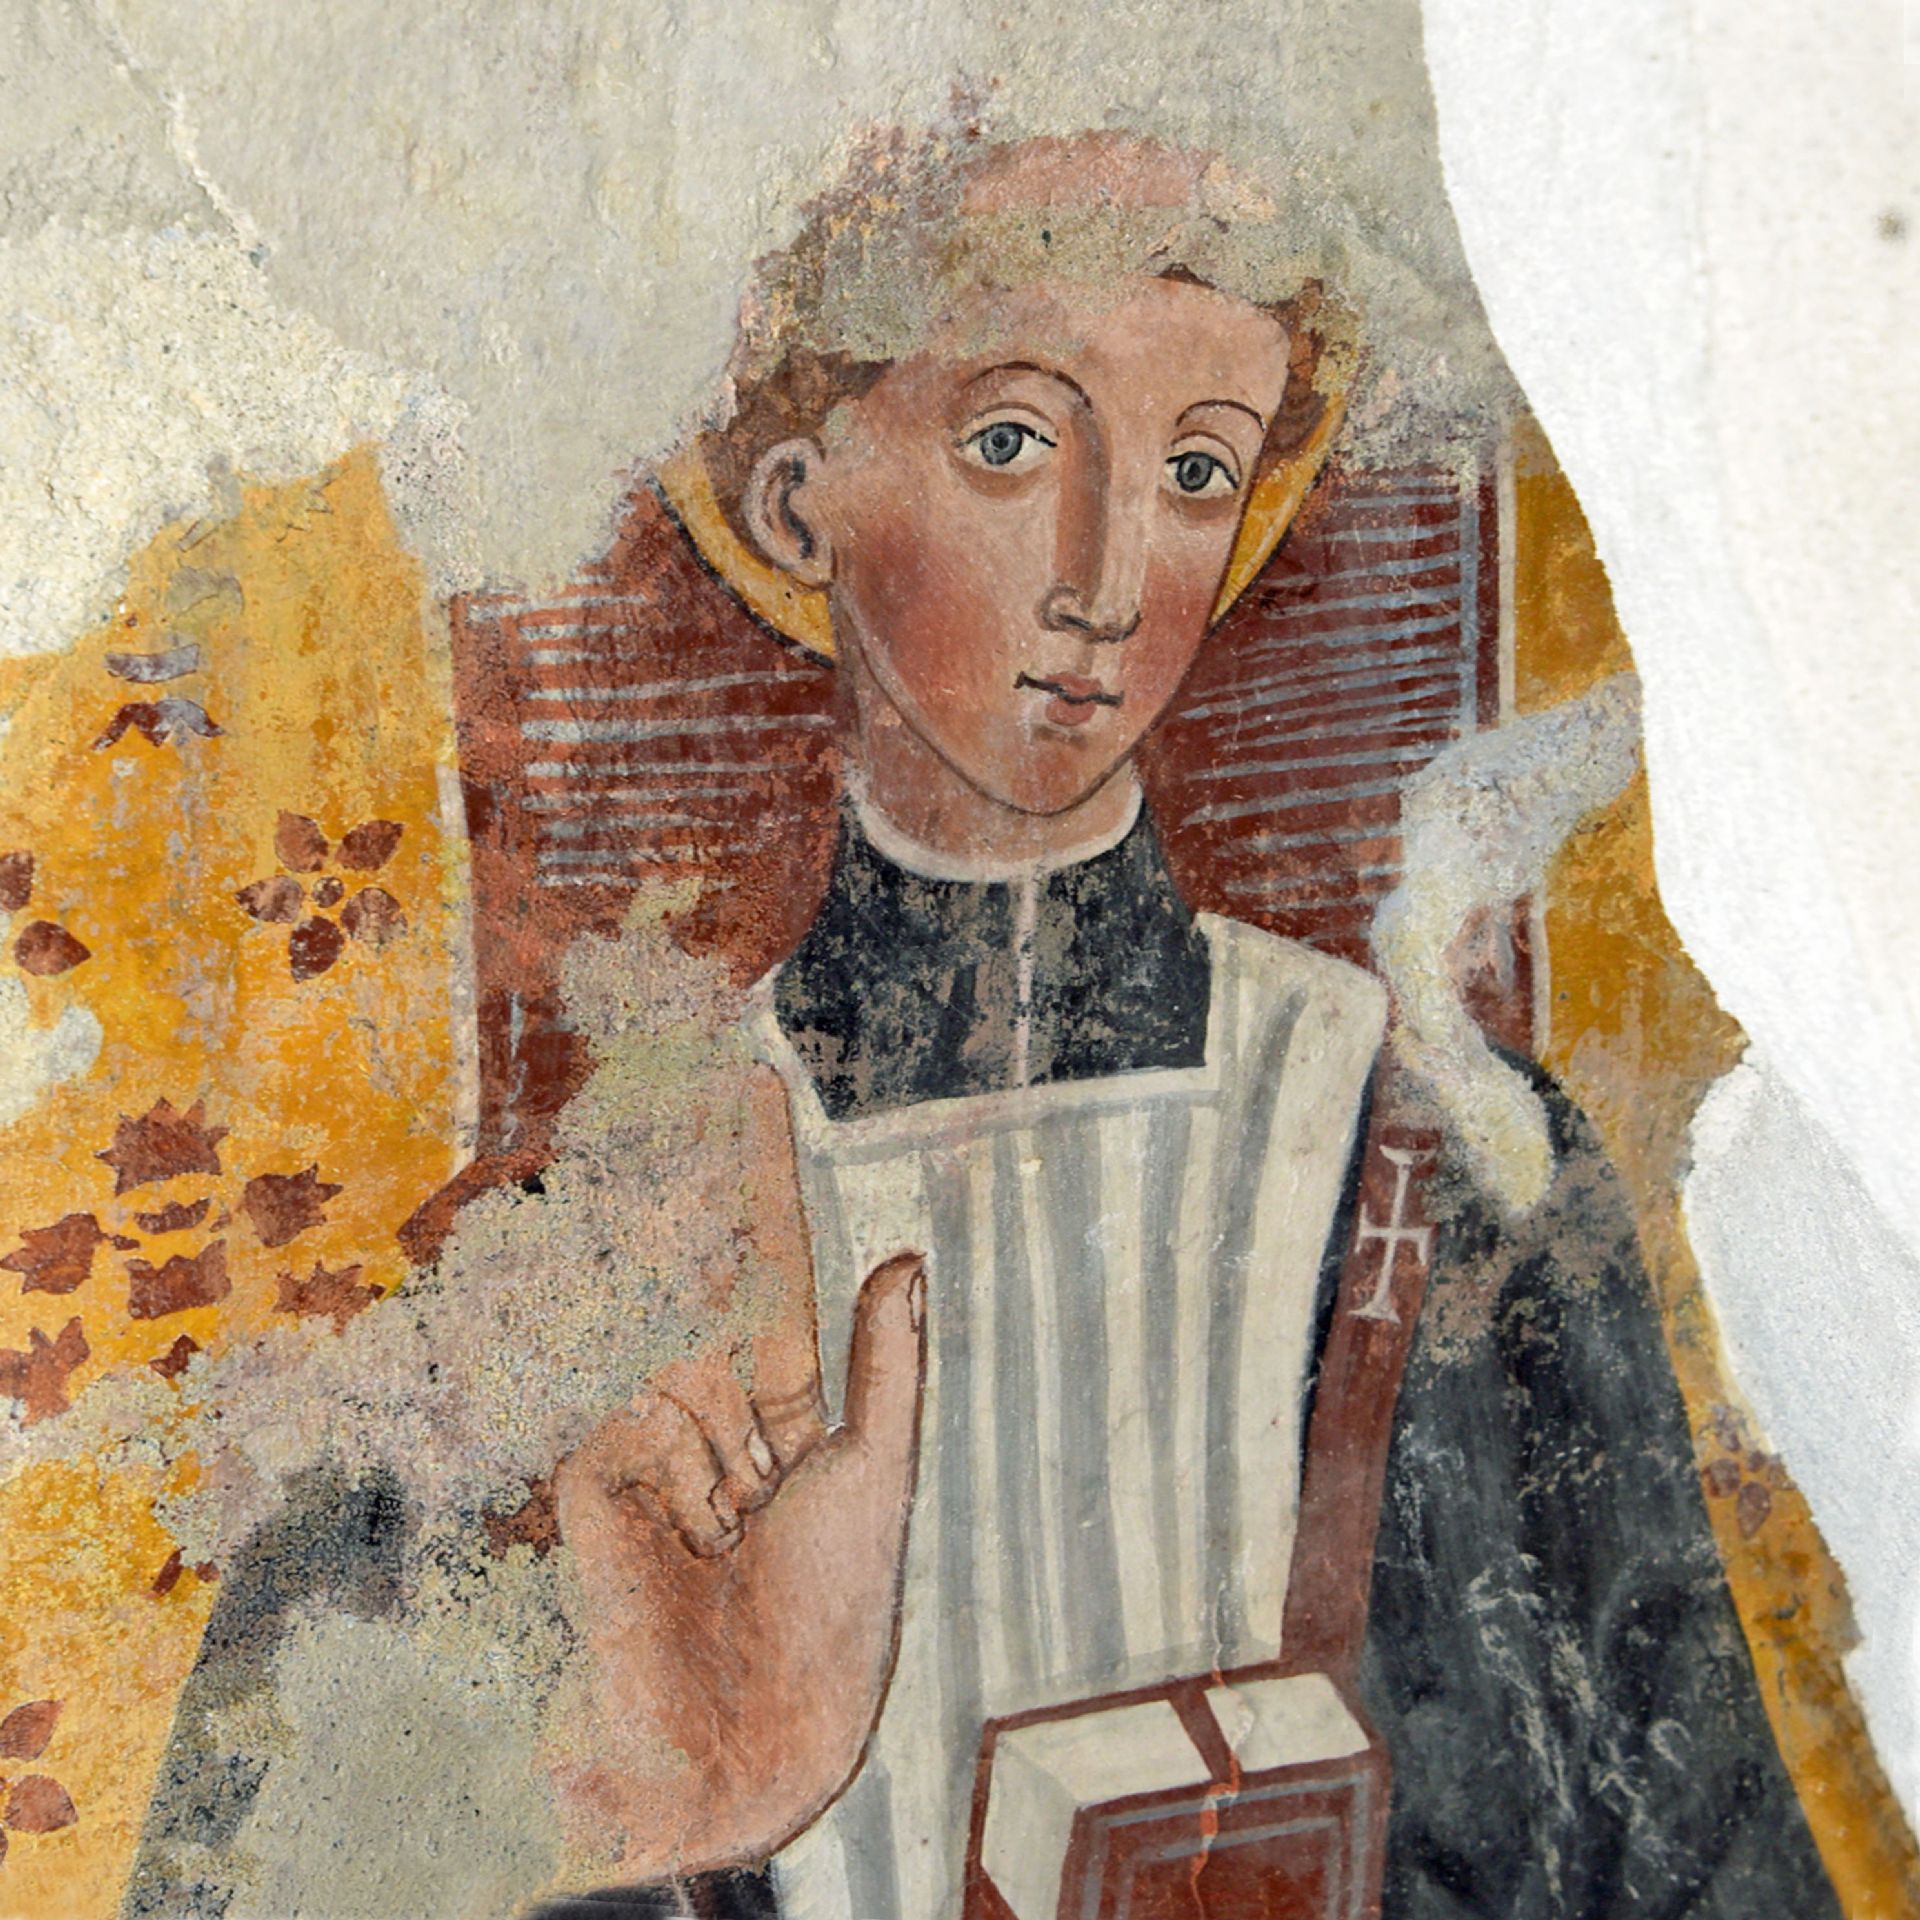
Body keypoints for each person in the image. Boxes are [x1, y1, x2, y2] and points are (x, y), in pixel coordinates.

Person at [538, 132, 1842, 1918]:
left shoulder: (1438, 1152)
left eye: (1197, 469)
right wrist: (662, 1817)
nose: (1107, 580)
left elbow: (1704, 1864)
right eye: (1012, 444)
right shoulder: (625, 1245)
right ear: (794, 500)